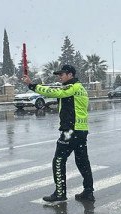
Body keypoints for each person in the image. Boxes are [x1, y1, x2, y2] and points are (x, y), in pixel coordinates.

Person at [29, 63, 94, 205]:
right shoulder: (80, 88)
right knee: (82, 161)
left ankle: (60, 193)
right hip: (81, 130)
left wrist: (32, 85)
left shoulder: (72, 87)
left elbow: (55, 93)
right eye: (59, 74)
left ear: (70, 75)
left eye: (62, 74)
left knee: (58, 160)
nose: (59, 77)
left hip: (71, 130)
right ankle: (88, 191)